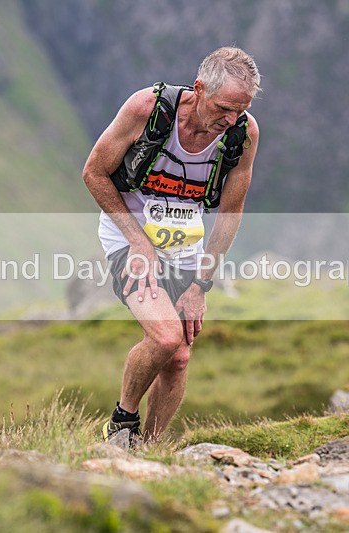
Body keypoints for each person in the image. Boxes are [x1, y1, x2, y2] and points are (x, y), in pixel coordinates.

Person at [82, 46, 261, 445]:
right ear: (199, 89)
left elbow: (230, 213)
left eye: (241, 110)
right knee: (165, 337)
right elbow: (94, 173)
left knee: (178, 358)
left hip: (185, 248)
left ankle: (150, 450)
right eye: (224, 108)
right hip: (128, 238)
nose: (231, 120)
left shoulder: (244, 134)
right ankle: (122, 424)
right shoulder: (147, 109)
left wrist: (201, 285)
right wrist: (138, 242)